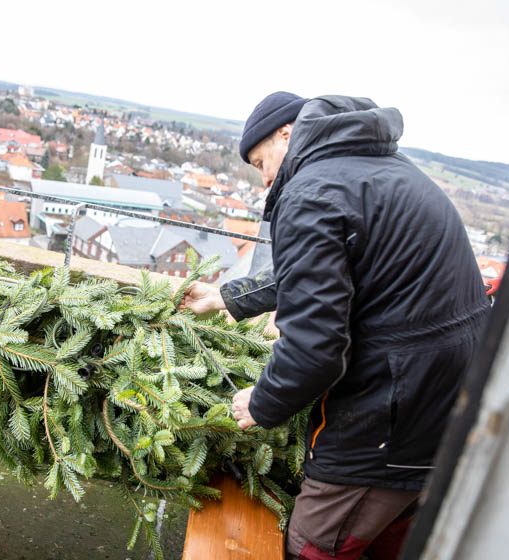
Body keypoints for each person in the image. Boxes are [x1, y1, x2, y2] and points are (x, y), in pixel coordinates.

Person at [179, 92, 489, 560]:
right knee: (395, 528)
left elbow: (315, 349)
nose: (264, 180)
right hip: (452, 392)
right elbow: (328, 273)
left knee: (316, 542)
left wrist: (262, 402)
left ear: (287, 133)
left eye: (262, 162)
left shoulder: (313, 190)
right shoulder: (380, 168)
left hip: (392, 407)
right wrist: (227, 296)